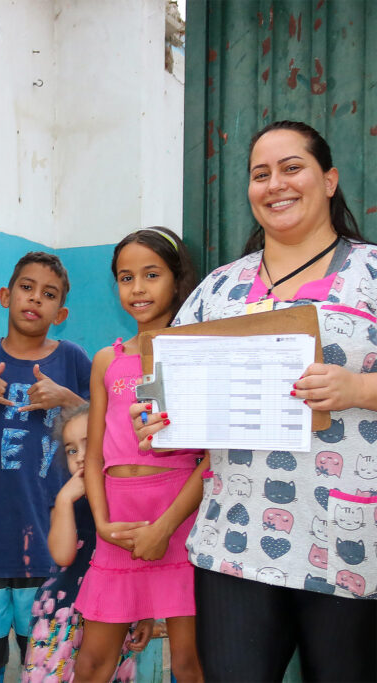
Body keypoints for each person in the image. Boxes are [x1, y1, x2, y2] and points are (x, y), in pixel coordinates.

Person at [135, 121, 377, 682]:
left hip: (349, 539)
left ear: (330, 179)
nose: (275, 184)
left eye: (292, 168)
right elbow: (157, 379)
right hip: (236, 541)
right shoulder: (219, 289)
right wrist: (153, 415)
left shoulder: (369, 271)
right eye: (260, 174)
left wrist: (359, 389)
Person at [0, 252, 91, 681]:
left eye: (49, 295)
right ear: (6, 296)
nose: (35, 299)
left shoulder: (74, 360)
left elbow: (104, 431)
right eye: (26, 288)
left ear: (60, 313)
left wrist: (69, 400)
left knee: (46, 668)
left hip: (50, 546)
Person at [72, 227, 207, 683]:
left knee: (189, 663)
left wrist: (166, 528)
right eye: (126, 278)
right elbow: (93, 457)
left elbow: (212, 457)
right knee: (91, 662)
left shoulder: (196, 353)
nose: (138, 288)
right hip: (118, 526)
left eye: (151, 274)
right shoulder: (106, 361)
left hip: (178, 519)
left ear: (177, 279)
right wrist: (103, 524)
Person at [23, 404, 153, 682]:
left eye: (90, 444)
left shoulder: (127, 498)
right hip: (61, 615)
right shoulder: (67, 500)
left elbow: (142, 563)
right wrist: (64, 501)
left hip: (116, 615)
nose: (81, 457)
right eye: (72, 450)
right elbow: (62, 555)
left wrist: (147, 615)